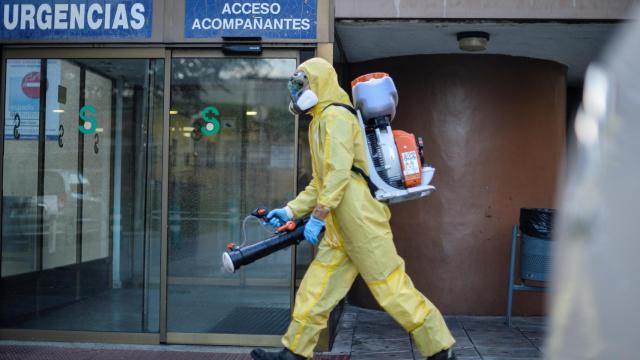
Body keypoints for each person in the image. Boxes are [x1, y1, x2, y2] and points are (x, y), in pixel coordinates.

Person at [250, 58, 456, 360]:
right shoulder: (320, 120)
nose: (295, 91)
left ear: (318, 81)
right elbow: (321, 182)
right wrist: (291, 211)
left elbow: (338, 174)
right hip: (340, 223)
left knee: (391, 287)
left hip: (361, 219)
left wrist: (318, 216)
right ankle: (293, 353)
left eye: (299, 84)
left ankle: (440, 349)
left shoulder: (336, 117)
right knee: (316, 290)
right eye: (293, 85)